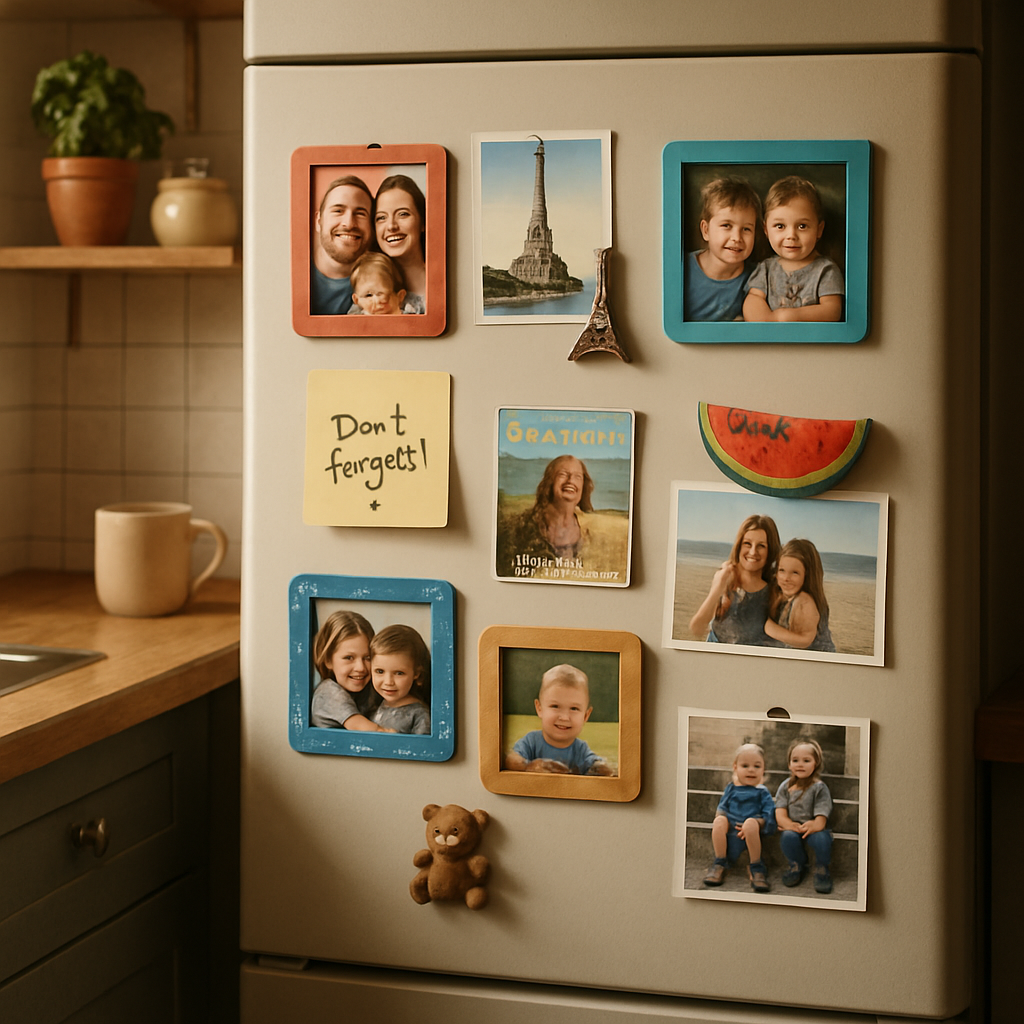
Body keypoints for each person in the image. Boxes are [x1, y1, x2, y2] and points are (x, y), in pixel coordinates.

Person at [742, 175, 844, 322]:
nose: (791, 236)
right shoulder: (766, 269)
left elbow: (832, 310)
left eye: (802, 226)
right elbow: (753, 299)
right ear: (766, 230)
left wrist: (791, 316)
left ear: (819, 230)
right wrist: (768, 321)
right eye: (780, 226)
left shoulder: (825, 270)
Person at [504, 664, 614, 776]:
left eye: (574, 708)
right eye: (555, 706)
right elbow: (510, 760)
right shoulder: (531, 741)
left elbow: (600, 766)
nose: (564, 717)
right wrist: (530, 766)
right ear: (539, 708)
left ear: (585, 716)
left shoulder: (581, 749)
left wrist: (601, 768)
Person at [688, 514, 781, 645]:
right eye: (747, 543)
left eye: (761, 546)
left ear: (770, 550)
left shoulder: (774, 591)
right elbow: (697, 628)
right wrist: (718, 588)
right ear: (739, 546)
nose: (753, 552)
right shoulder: (725, 579)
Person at [683, 176, 761, 321]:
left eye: (746, 229)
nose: (737, 237)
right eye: (726, 225)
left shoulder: (758, 276)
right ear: (706, 230)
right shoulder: (683, 269)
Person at [703, 742, 777, 892]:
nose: (751, 770)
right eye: (745, 766)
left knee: (750, 823)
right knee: (719, 820)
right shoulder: (731, 788)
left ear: (763, 770)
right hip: (731, 828)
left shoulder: (762, 792)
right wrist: (722, 821)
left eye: (757, 766)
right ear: (735, 767)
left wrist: (758, 823)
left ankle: (756, 866)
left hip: (751, 830)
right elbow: (722, 808)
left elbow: (769, 814)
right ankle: (720, 862)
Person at [310, 609, 391, 731]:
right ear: (328, 660)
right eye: (349, 658)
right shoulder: (328, 693)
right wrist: (391, 733)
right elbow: (361, 727)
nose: (361, 668)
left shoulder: (369, 689)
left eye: (367, 658)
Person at [774, 738, 835, 894]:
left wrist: (814, 825)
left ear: (816, 764)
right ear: (789, 764)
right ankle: (797, 865)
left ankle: (822, 868)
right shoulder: (785, 787)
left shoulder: (819, 788)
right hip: (793, 827)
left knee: (821, 839)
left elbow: (821, 817)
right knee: (787, 837)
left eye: (806, 760)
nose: (800, 764)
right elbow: (780, 813)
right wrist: (788, 824)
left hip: (814, 828)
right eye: (795, 760)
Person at [311, 175, 374, 315]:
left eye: (360, 213)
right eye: (338, 211)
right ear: (318, 221)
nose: (349, 224)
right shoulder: (289, 271)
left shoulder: (384, 278)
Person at [764, 538, 837, 652]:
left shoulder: (804, 601)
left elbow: (805, 640)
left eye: (795, 573)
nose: (786, 578)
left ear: (808, 575)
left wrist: (768, 627)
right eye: (782, 570)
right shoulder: (785, 596)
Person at [373, 174, 427, 313]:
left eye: (403, 214)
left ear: (423, 222)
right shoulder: (367, 290)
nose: (391, 226)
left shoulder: (450, 280)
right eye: (381, 217)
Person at [369, 624, 431, 735]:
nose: (388, 682)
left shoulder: (419, 714)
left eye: (399, 673)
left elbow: (422, 745)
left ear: (416, 673)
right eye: (380, 671)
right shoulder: (374, 704)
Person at [346, 252, 418, 316]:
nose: (377, 301)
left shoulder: (410, 315)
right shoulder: (355, 318)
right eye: (368, 295)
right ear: (356, 300)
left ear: (400, 296)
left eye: (383, 294)